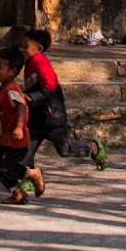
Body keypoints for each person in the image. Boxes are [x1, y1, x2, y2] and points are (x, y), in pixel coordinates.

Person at [19, 26, 93, 171]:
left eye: (25, 46)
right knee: (27, 152)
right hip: (36, 118)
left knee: (65, 149)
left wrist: (32, 98)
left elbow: (49, 88)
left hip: (52, 117)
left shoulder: (41, 63)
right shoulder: (29, 62)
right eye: (21, 46)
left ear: (39, 49)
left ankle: (92, 148)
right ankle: (27, 178)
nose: (22, 49)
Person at [0, 46, 40, 203]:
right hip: (6, 136)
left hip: (17, 137)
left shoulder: (12, 89)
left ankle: (33, 174)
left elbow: (21, 106)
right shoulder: (2, 90)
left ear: (12, 71)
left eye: (0, 68)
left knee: (9, 168)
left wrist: (19, 127)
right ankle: (17, 193)